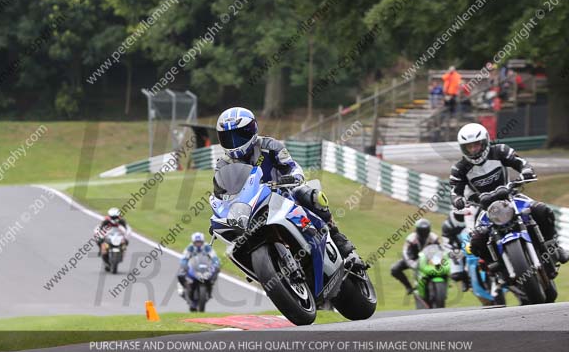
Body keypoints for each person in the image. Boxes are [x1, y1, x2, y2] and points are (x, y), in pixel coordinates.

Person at [211, 106, 360, 264]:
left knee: (312, 196)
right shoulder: (223, 165)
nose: (234, 142)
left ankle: (338, 237)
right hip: (251, 209)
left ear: (251, 130)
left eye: (239, 135)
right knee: (236, 244)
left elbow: (291, 166)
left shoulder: (270, 146)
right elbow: (221, 194)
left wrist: (293, 177)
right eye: (228, 137)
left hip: (282, 194)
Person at [449, 123, 569, 268]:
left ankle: (553, 246)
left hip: (510, 197)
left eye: (476, 145)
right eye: (469, 147)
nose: (474, 150)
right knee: (475, 242)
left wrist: (526, 172)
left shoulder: (500, 150)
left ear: (485, 142)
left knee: (542, 210)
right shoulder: (459, 168)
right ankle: (497, 266)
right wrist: (458, 200)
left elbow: (521, 163)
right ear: (463, 148)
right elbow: (454, 191)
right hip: (485, 208)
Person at [389, 219, 439, 294]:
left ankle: (443, 283)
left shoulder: (434, 238)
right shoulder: (411, 238)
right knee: (394, 269)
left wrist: (436, 261)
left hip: (429, 260)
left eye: (425, 231)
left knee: (444, 266)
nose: (423, 233)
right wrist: (412, 263)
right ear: (417, 230)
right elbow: (405, 252)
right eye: (421, 231)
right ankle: (409, 287)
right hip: (413, 260)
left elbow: (440, 251)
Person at [177, 232, 220, 297]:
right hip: (193, 266)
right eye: (196, 242)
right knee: (180, 274)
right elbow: (184, 258)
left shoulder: (207, 247)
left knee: (216, 269)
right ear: (193, 242)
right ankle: (185, 287)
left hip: (205, 266)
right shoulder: (190, 248)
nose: (198, 244)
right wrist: (184, 265)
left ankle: (211, 284)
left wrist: (216, 263)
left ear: (202, 241)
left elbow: (214, 257)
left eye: (200, 242)